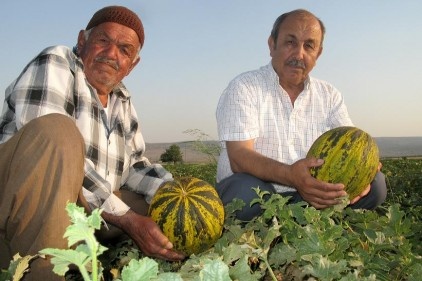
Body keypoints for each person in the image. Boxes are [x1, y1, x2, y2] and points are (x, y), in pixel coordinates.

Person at [0, 6, 185, 280]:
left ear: (132, 65)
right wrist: (125, 218)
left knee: (160, 206)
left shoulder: (123, 101)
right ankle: (44, 270)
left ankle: (97, 252)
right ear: (82, 41)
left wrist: (177, 191)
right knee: (58, 131)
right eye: (103, 41)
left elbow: (135, 167)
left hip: (80, 209)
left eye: (124, 50)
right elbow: (49, 149)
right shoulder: (57, 62)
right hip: (20, 203)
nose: (112, 55)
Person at [215, 9, 387, 221]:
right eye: (290, 42)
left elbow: (353, 146)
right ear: (272, 45)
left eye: (309, 46)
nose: (299, 54)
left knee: (376, 186)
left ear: (318, 53)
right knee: (246, 192)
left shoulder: (329, 95)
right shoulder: (244, 87)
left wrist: (366, 170)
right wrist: (292, 176)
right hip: (261, 194)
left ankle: (307, 223)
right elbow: (239, 158)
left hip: (307, 198)